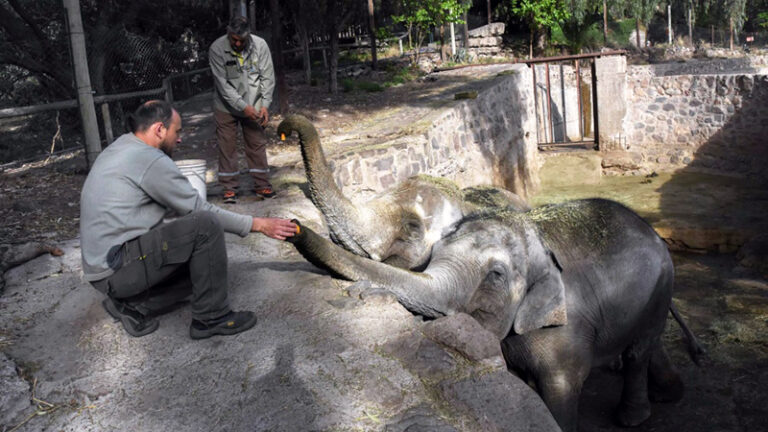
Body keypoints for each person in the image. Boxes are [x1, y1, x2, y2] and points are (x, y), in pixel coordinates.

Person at [79, 100, 297, 339]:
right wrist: (259, 224)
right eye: (177, 131)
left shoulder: (121, 146)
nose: (180, 139)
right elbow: (198, 210)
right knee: (205, 225)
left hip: (105, 271)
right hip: (117, 268)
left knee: (206, 272)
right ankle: (212, 317)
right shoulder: (149, 159)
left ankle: (132, 304)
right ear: (160, 129)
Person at [209, 15, 276, 204]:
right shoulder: (216, 48)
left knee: (257, 144)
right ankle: (229, 188)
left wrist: (265, 105)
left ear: (249, 36)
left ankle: (262, 184)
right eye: (234, 39)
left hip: (254, 104)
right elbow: (223, 85)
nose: (237, 43)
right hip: (225, 106)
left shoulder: (260, 46)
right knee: (227, 146)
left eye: (242, 40)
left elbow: (267, 77)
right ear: (228, 33)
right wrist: (242, 106)